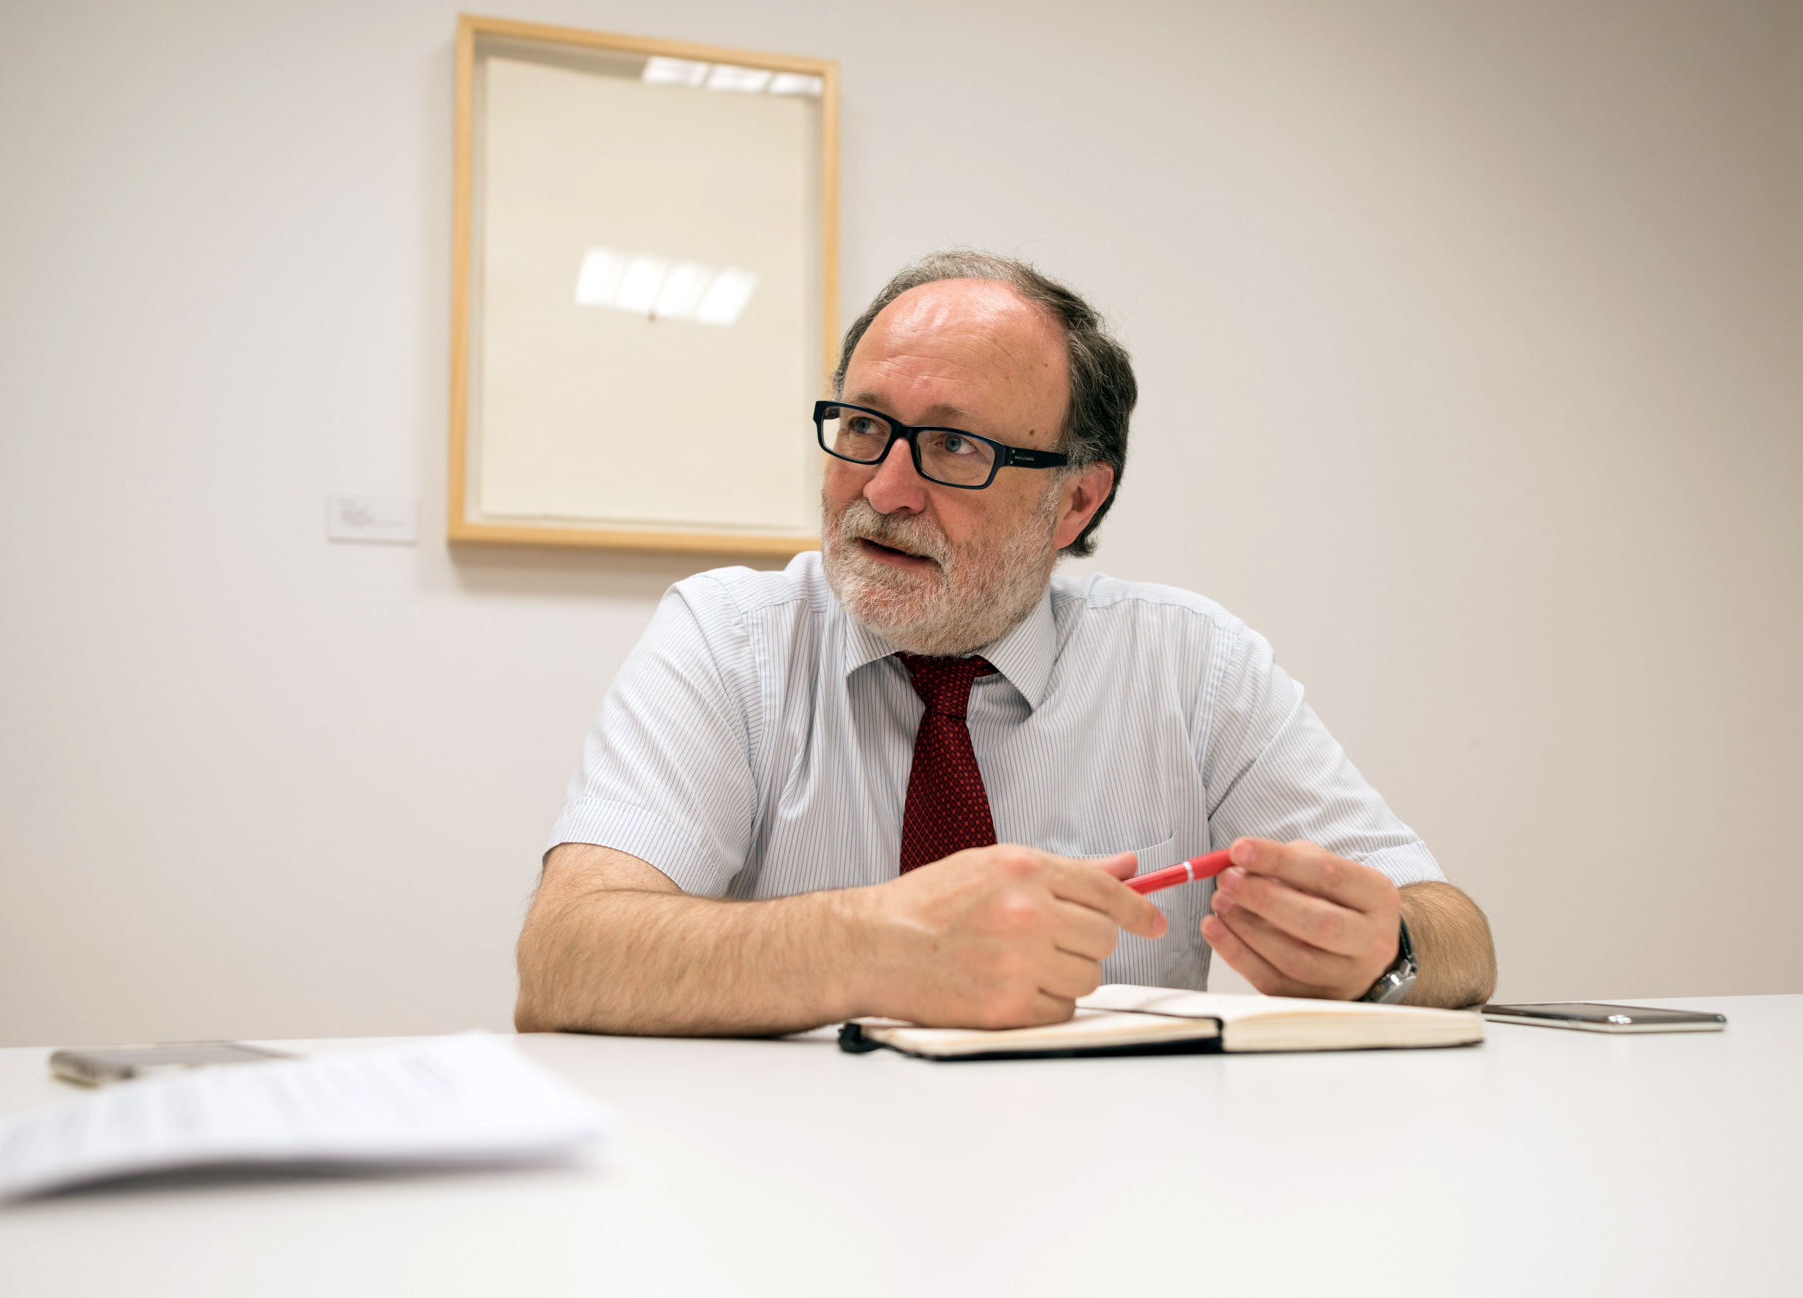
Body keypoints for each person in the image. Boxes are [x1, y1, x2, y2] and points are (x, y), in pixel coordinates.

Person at [515, 251, 1495, 1035]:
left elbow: (1457, 937)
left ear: (1074, 502)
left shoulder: (1192, 667)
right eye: (863, 426)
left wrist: (1387, 955)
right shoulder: (729, 639)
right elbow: (565, 959)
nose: (884, 489)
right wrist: (884, 943)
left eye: (954, 447)